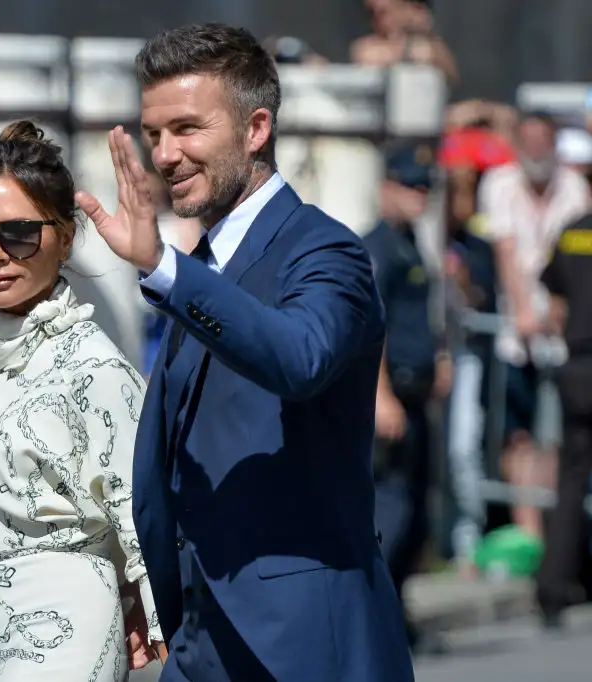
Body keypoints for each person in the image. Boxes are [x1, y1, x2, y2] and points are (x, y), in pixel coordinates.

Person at [75, 24, 413, 681]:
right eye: (153, 134)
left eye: (188, 129)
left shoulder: (325, 251)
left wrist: (162, 267)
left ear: (255, 129)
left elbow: (298, 358)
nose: (165, 154)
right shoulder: (199, 268)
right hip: (201, 639)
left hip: (300, 645)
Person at [0, 120, 161, 681]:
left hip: (70, 627)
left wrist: (157, 624)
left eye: (18, 233)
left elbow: (146, 515)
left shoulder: (94, 367)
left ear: (64, 236)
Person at [478, 111, 590, 541]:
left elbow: (574, 260)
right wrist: (524, 311)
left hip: (563, 333)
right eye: (529, 140)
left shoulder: (575, 189)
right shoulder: (500, 184)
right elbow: (506, 254)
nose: (537, 149)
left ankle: (552, 530)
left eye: (544, 140)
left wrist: (556, 313)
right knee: (518, 432)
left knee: (559, 437)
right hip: (516, 331)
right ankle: (529, 527)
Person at [364, 145, 451, 649]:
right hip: (391, 396)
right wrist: (382, 395)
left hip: (417, 393)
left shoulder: (411, 242)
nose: (420, 196)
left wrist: (439, 357)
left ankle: (395, 607)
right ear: (386, 188)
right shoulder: (375, 246)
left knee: (417, 510)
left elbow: (422, 316)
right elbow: (370, 325)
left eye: (425, 187)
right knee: (390, 512)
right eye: (410, 186)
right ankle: (376, 613)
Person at [535, 214, 592, 629]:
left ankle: (553, 591)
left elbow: (554, 302)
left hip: (577, 368)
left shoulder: (572, 231)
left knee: (571, 483)